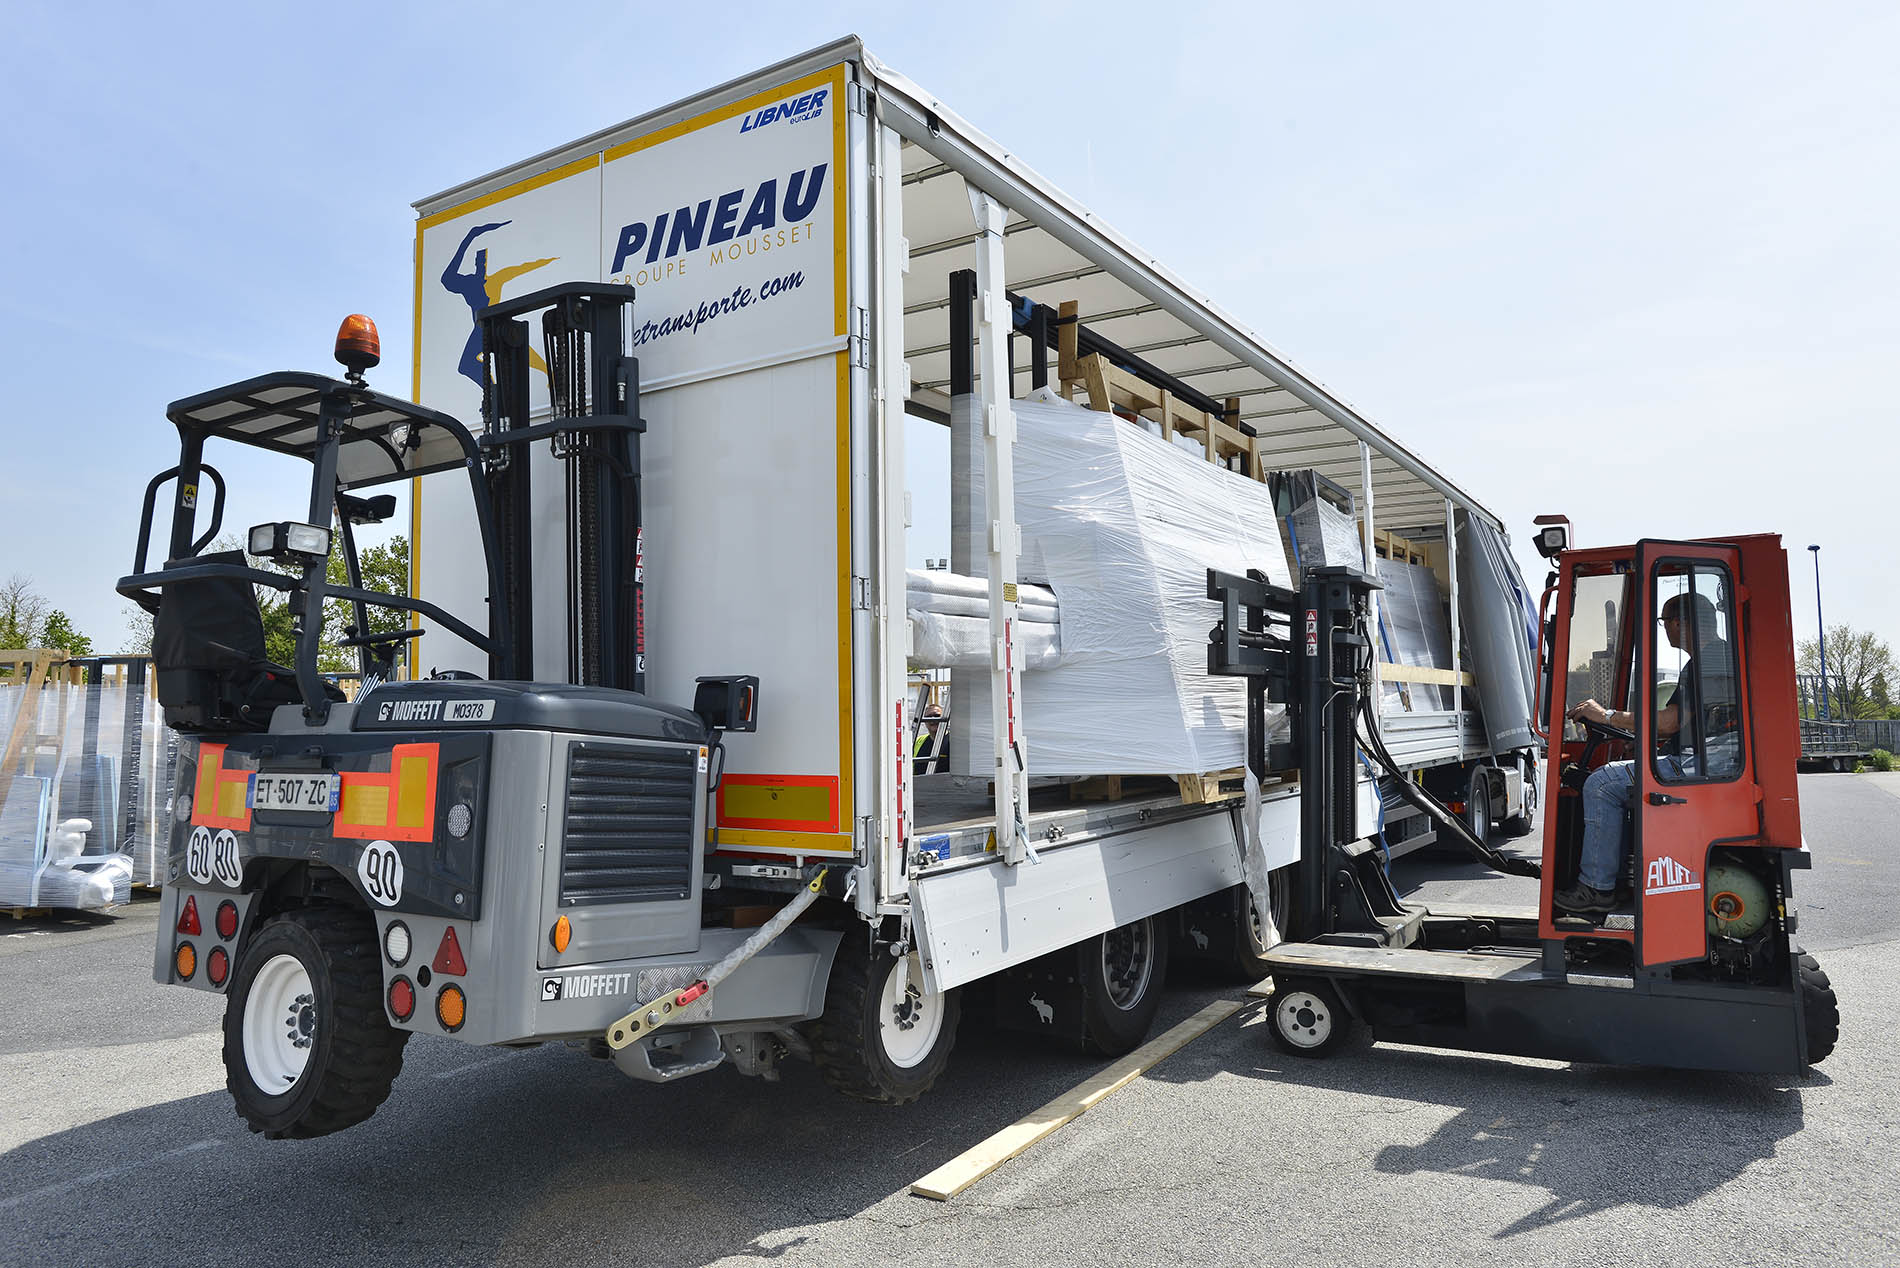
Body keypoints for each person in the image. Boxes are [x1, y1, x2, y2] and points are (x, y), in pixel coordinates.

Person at [1552, 591, 1736, 915]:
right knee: (1616, 778)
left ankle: (1597, 887)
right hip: (1707, 759)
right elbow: (1686, 727)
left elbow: (1671, 722)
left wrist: (1606, 716)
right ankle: (1618, 877)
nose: (1664, 628)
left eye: (1665, 621)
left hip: (1703, 764)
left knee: (1601, 784)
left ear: (1681, 623)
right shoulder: (1716, 657)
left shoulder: (1707, 662)